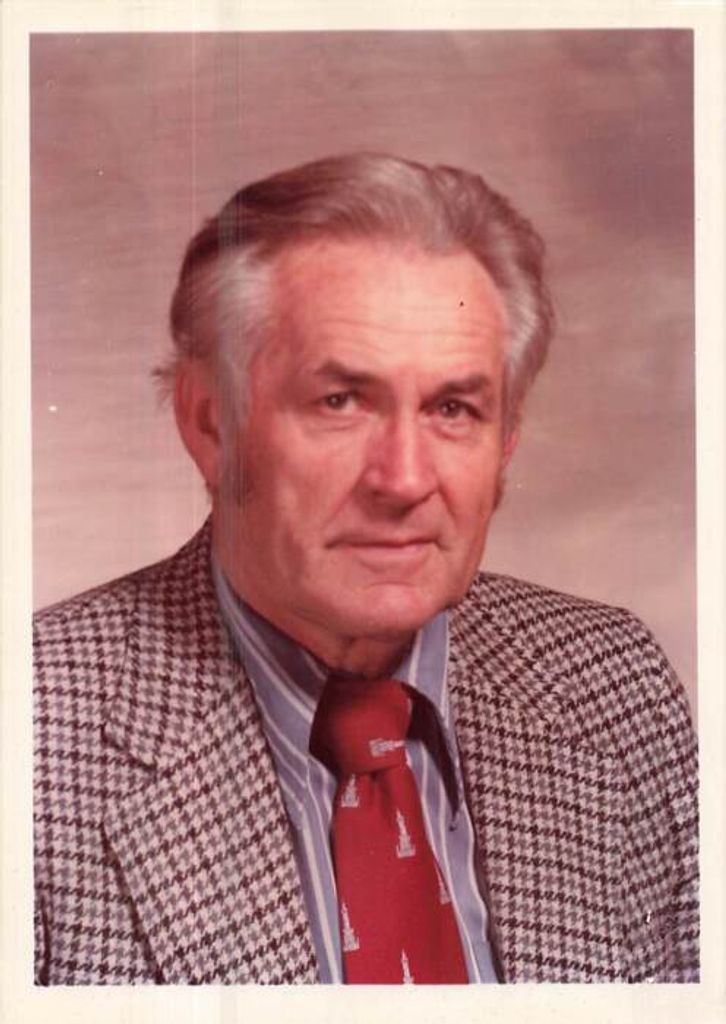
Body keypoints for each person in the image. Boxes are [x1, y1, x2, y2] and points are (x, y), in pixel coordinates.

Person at [33, 153, 699, 985]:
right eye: (340, 401)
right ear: (210, 423)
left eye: (453, 408)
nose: (405, 480)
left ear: (506, 443)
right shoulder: (36, 734)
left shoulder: (612, 684)